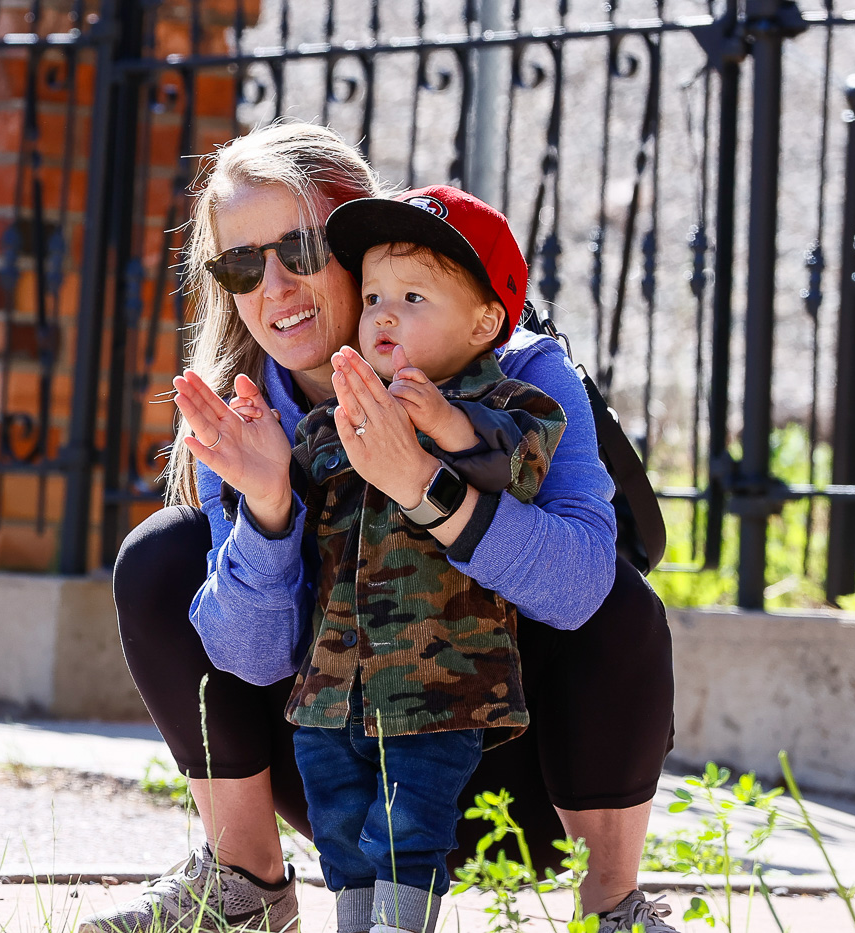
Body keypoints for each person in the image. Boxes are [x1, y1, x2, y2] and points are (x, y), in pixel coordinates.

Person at [79, 122, 676, 933]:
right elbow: (252, 658)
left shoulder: (523, 373)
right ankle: (244, 884)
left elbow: (577, 591)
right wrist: (269, 510)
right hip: (342, 779)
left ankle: (613, 907)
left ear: (361, 246)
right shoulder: (240, 413)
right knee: (159, 558)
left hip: (516, 769)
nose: (275, 287)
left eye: (300, 249)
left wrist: (428, 488)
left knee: (618, 593)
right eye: (242, 265)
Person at [183, 183, 569, 933]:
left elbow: (518, 468)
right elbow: (297, 508)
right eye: (375, 297)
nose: (385, 315)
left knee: (408, 820)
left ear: (485, 322)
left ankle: (400, 923)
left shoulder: (509, 402)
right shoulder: (336, 414)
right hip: (334, 681)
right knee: (338, 812)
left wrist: (444, 434)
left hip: (439, 681)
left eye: (413, 299)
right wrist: (265, 482)